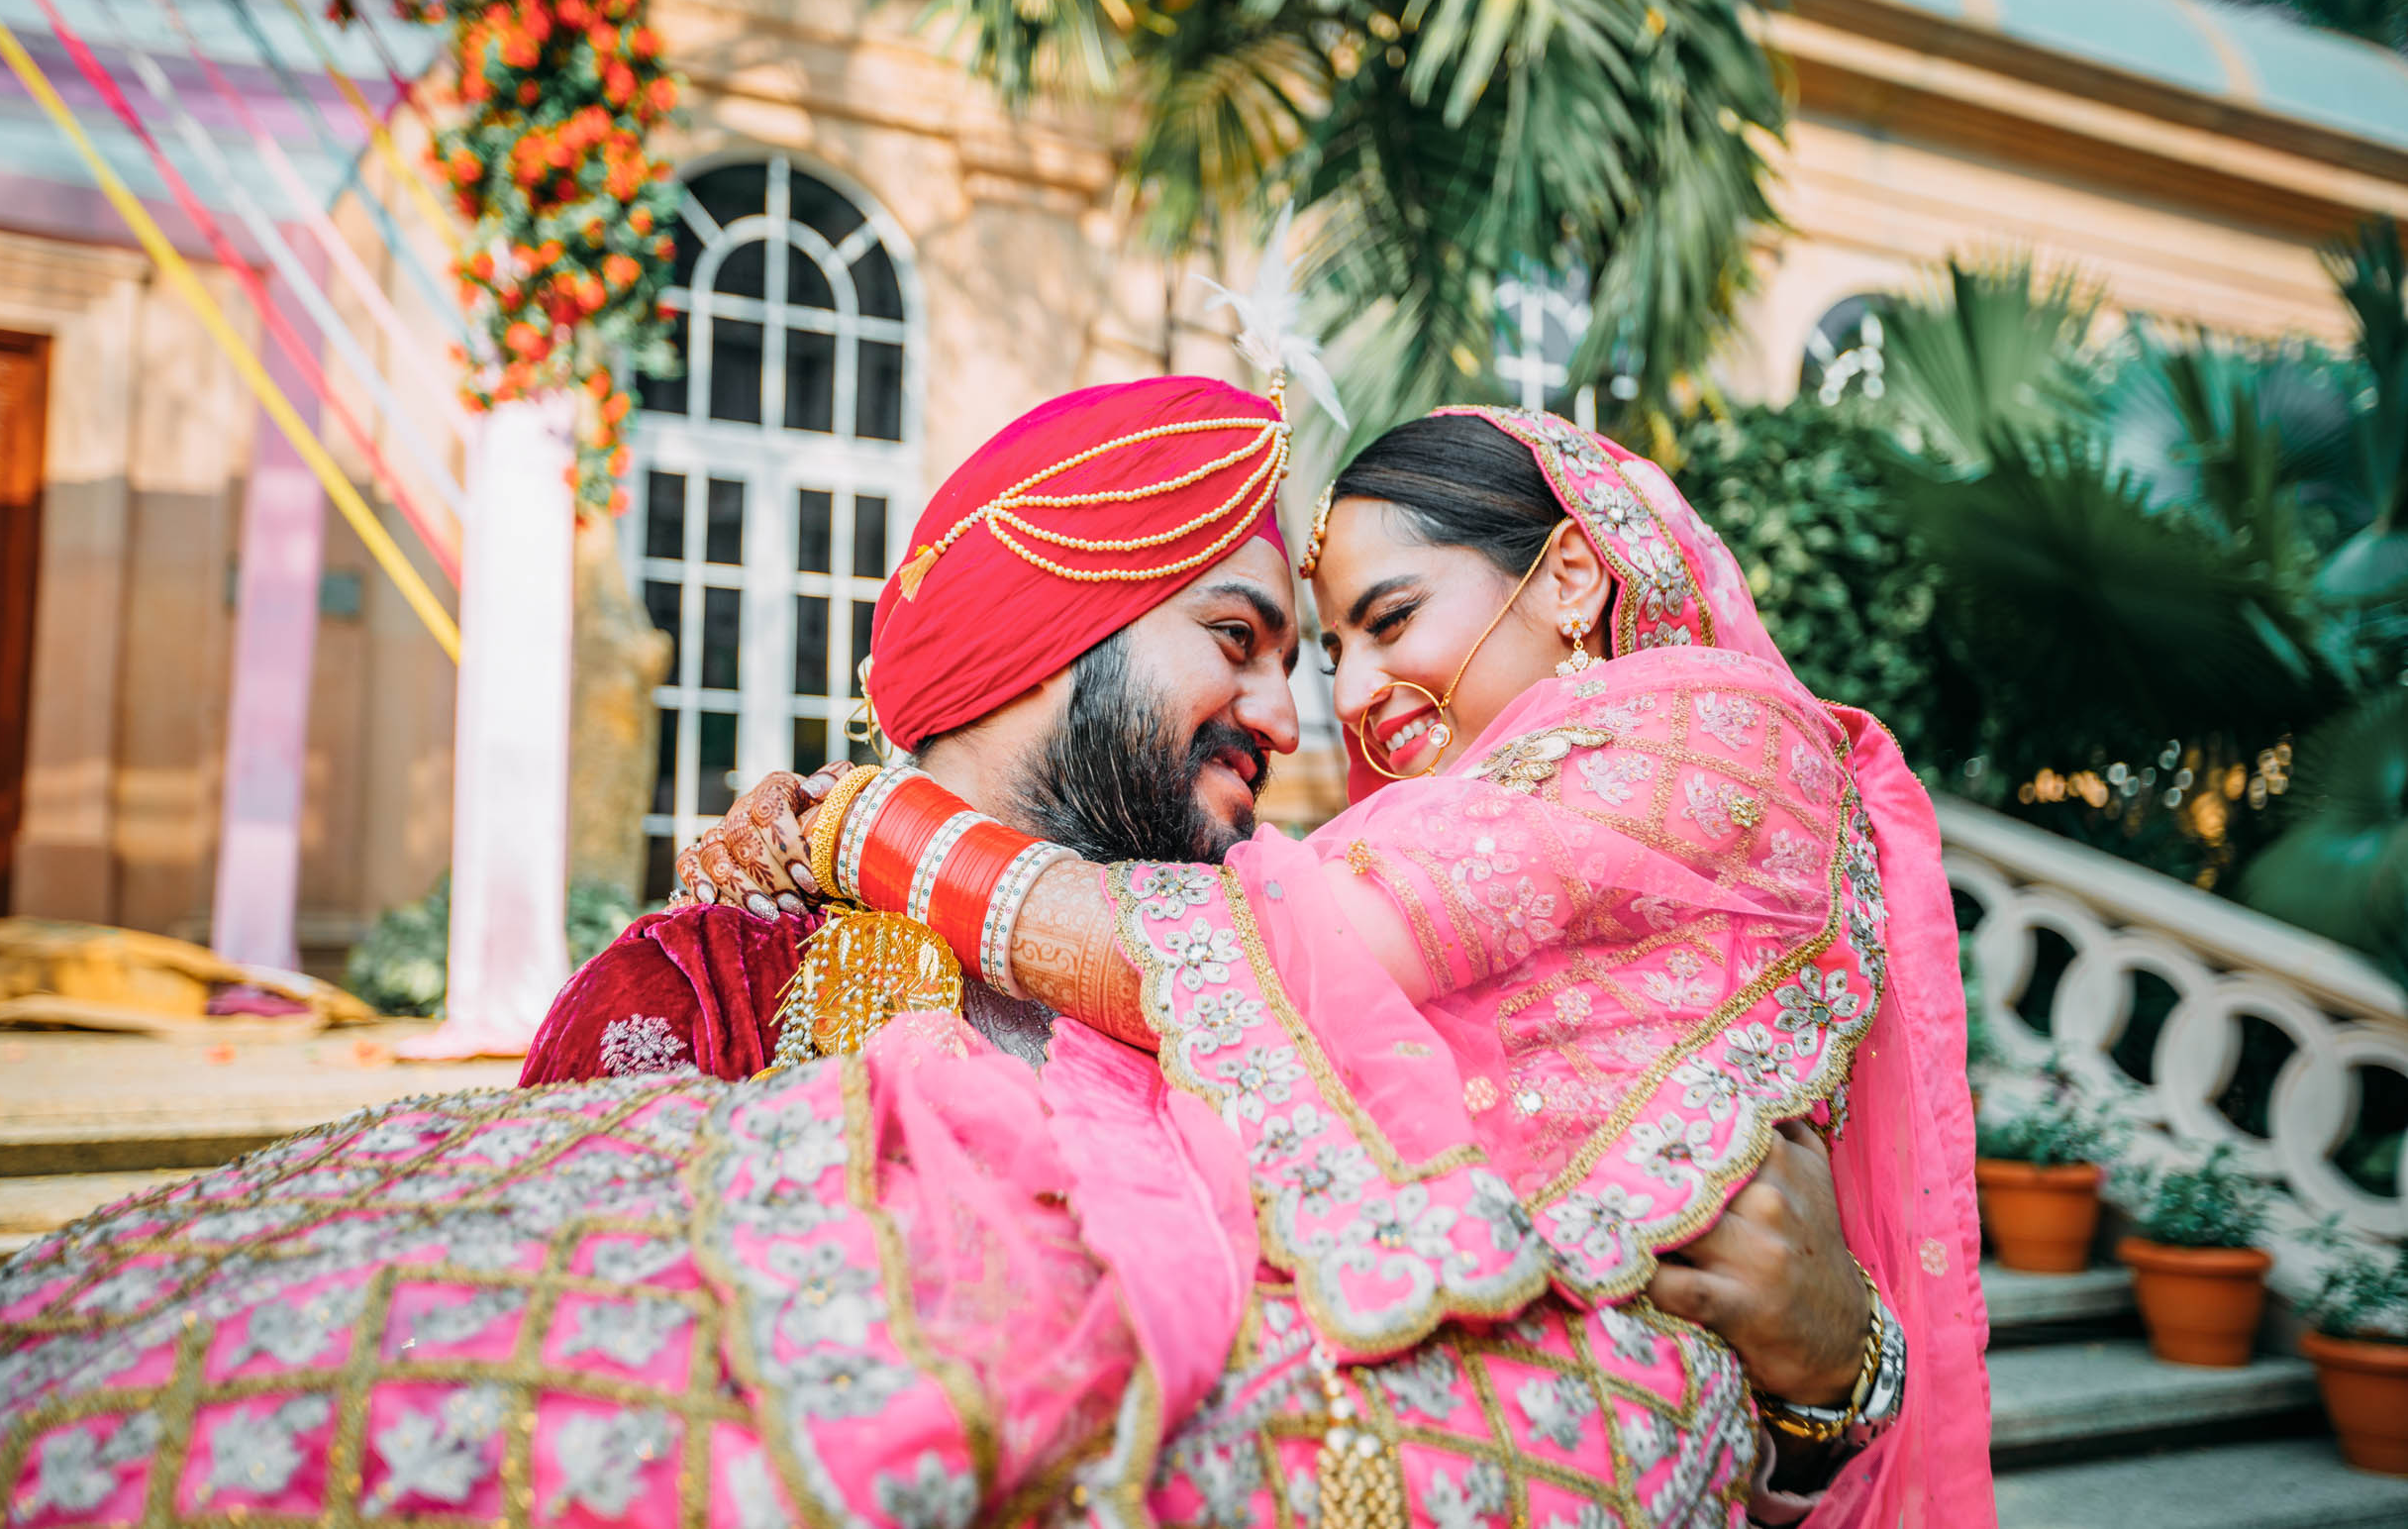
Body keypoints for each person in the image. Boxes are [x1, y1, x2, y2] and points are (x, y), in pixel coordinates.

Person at [684, 399, 1992, 1526]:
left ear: (1576, 580)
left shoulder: (1676, 752)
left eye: (1387, 622)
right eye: (1253, 644)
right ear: (1042, 643)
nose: (1320, 710)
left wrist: (1837, 1373)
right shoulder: (721, 982)